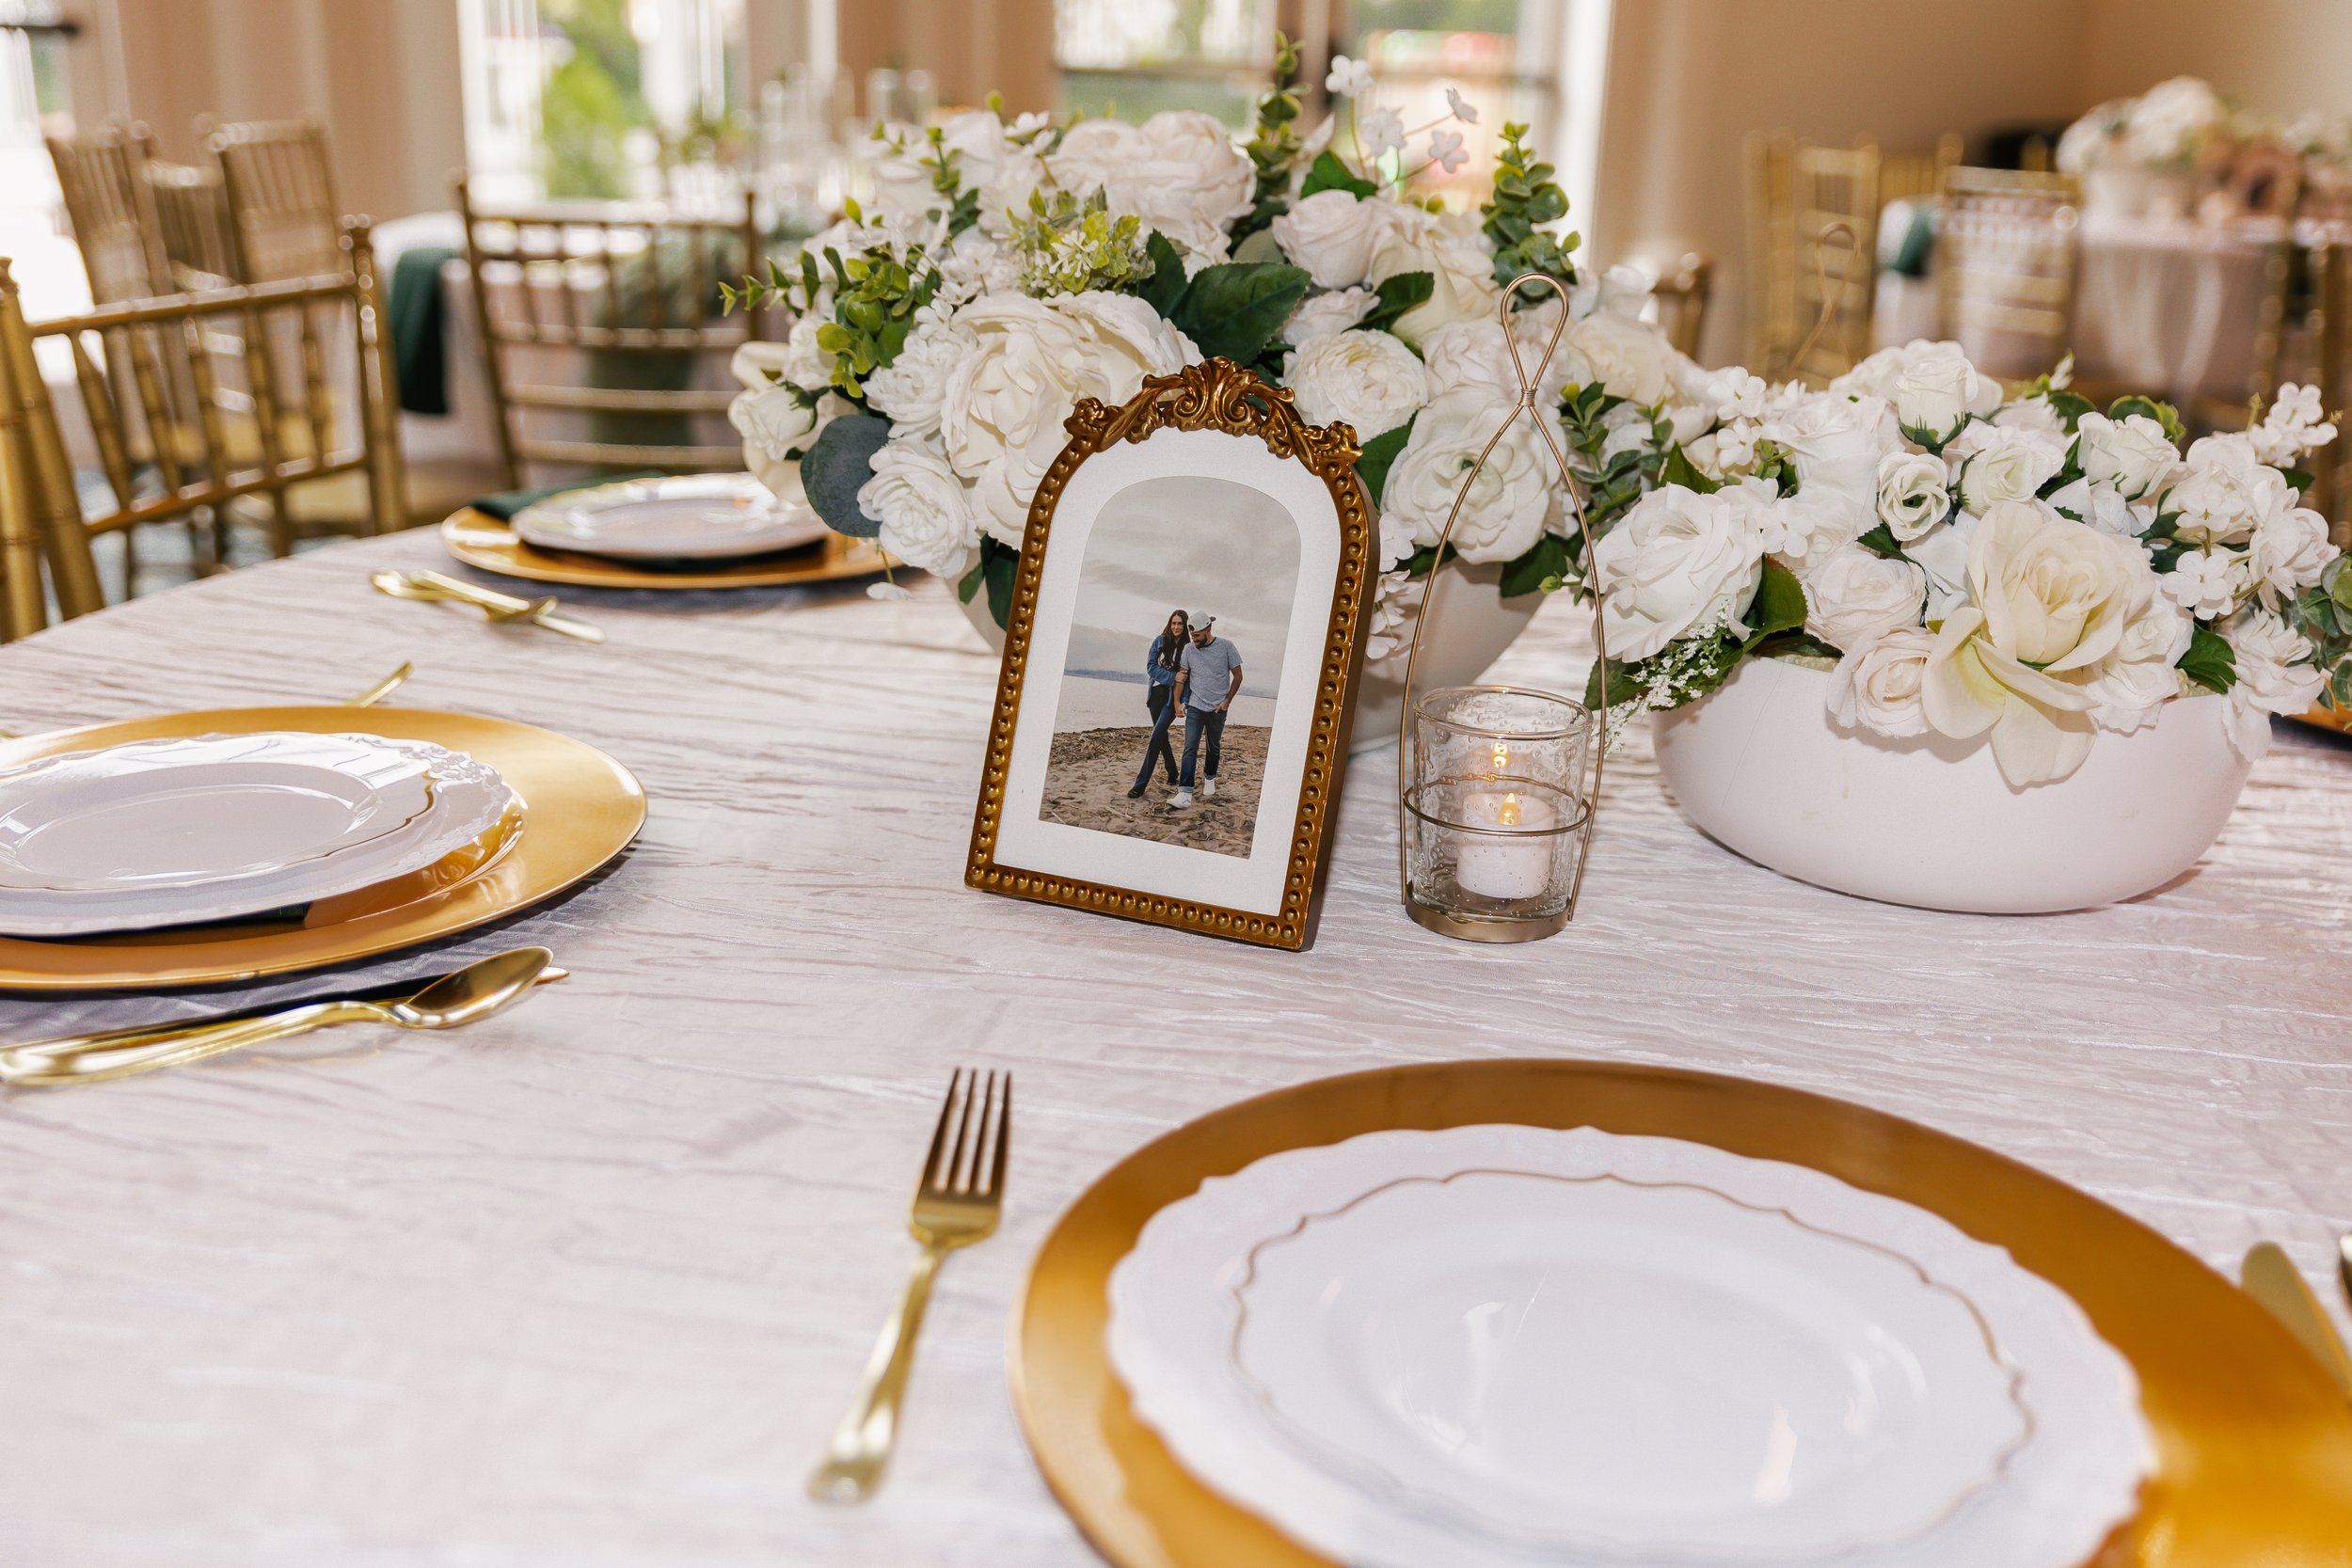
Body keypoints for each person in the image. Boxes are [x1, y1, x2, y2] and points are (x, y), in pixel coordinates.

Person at [1171, 613, 1242, 810]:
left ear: (1208, 630)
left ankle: (1209, 777)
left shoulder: (1227, 646)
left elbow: (1238, 676)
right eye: (1192, 636)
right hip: (1195, 706)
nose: (1194, 640)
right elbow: (1182, 677)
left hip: (1217, 708)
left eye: (1198, 636)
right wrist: (1177, 702)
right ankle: (1185, 793)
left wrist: (1227, 701)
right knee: (1190, 747)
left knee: (1213, 746)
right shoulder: (1188, 649)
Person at [1127, 608, 1189, 799]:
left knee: (1156, 736)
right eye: (1173, 623)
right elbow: (1151, 667)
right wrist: (1173, 676)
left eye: (1180, 623)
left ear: (1185, 626)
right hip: (1155, 694)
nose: (1176, 627)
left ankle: (1140, 784)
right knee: (1160, 735)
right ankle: (1172, 772)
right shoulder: (1159, 641)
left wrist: (1183, 702)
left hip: (1173, 697)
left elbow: (1189, 677)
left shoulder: (1189, 647)